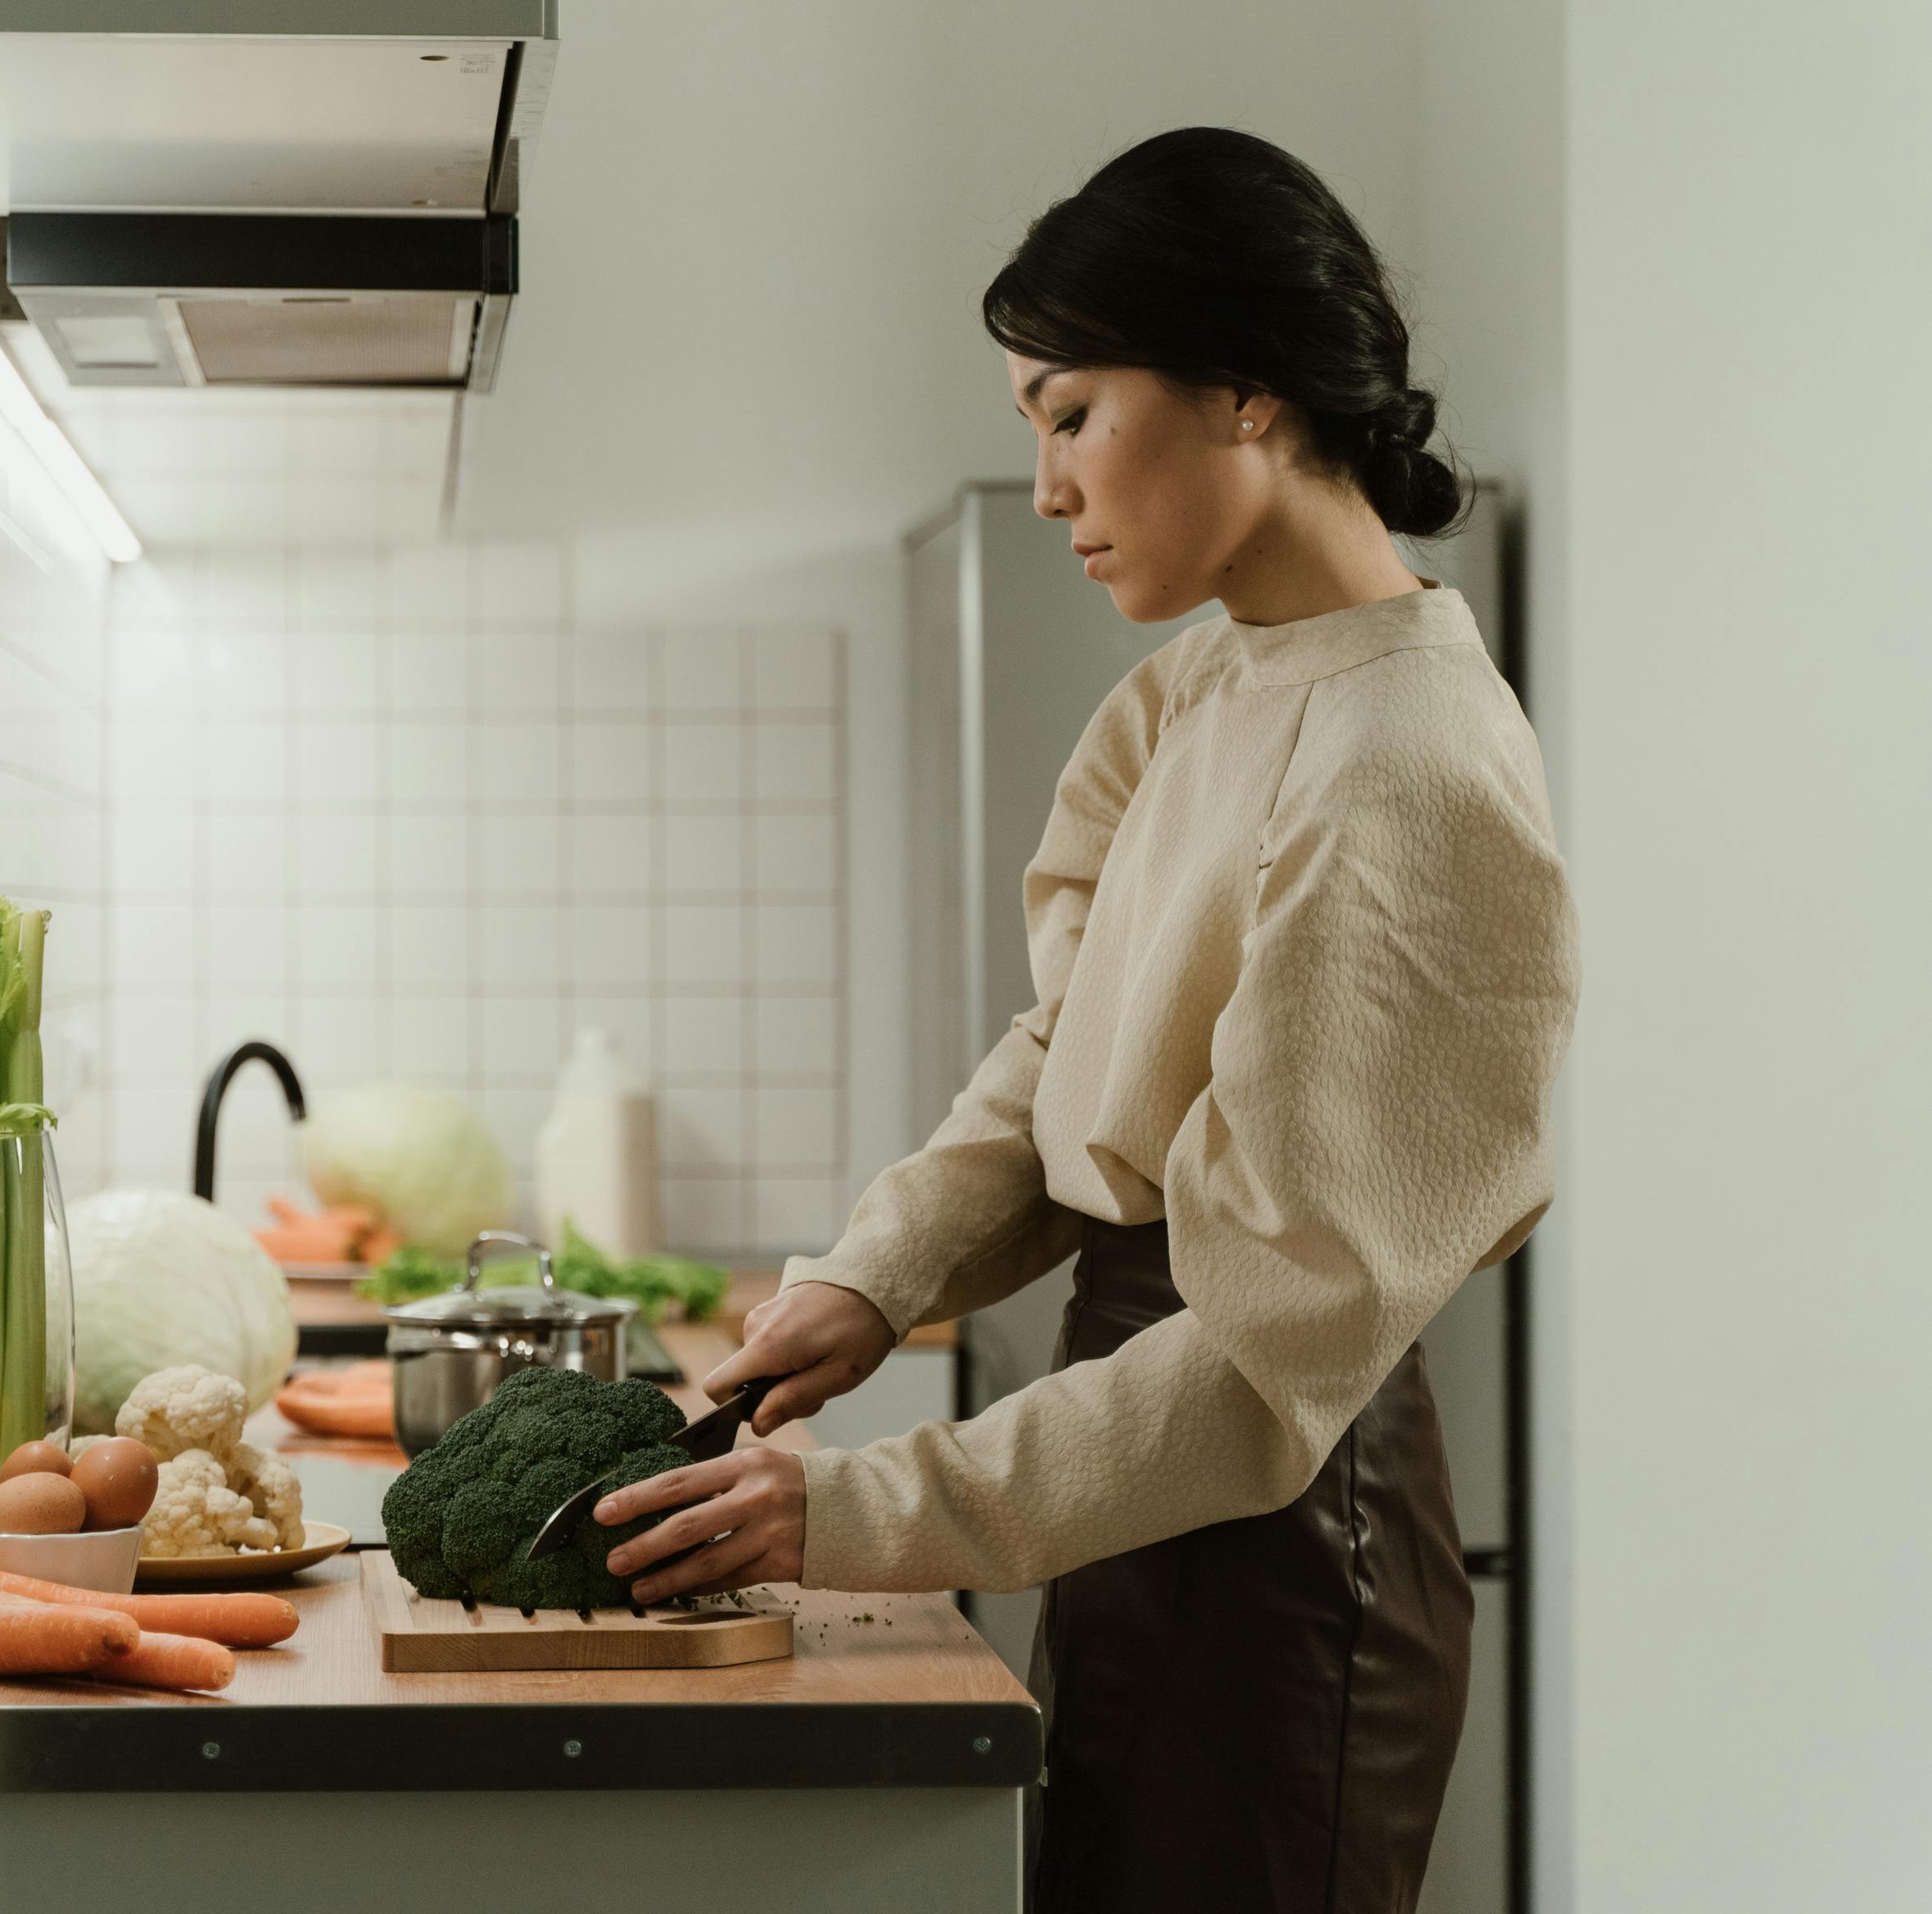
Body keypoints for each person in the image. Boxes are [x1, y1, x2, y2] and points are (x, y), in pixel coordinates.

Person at [592, 126, 1579, 1912]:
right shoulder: (1196, 687)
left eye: (1068, 413)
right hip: (1131, 1465)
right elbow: (1074, 1052)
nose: (1048, 487)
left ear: (1244, 389)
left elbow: (1274, 1368)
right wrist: (867, 1281)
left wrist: (851, 1511)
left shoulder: (1404, 765)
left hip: (1279, 1509)